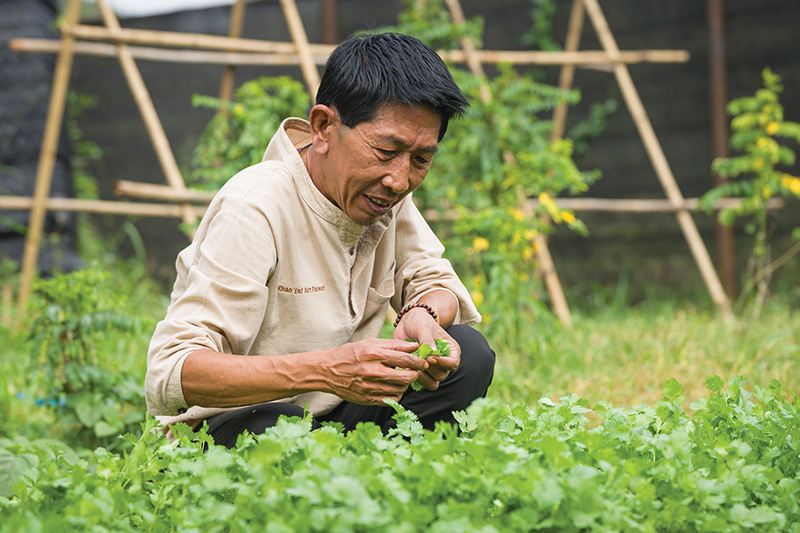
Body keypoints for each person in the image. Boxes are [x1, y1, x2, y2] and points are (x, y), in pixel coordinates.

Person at [145, 32, 495, 448]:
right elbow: (172, 370)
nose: (400, 179)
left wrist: (423, 313)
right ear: (324, 127)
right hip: (230, 429)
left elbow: (431, 278)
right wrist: (325, 370)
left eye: (421, 159)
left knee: (468, 353)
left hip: (336, 414)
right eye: (386, 151)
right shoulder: (255, 207)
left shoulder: (381, 193)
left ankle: (387, 491)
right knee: (279, 424)